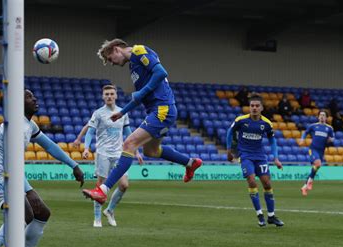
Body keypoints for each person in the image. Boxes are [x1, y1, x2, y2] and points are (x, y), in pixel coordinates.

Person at [0, 90, 84, 247]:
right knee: (24, 213)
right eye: (29, 96)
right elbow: (11, 160)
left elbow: (49, 146)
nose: (35, 98)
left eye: (34, 95)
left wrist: (73, 165)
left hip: (8, 176)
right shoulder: (12, 125)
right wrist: (28, 190)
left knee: (41, 212)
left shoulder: (28, 125)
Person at [82, 39, 202, 204]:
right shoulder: (133, 68)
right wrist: (122, 112)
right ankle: (190, 163)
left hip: (162, 109)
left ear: (116, 49)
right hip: (158, 110)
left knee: (128, 144)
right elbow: (140, 97)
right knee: (151, 151)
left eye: (110, 59)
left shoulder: (139, 51)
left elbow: (161, 73)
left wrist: (142, 91)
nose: (112, 63)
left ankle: (103, 190)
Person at [79, 84, 143, 227]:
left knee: (124, 185)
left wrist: (137, 151)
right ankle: (97, 218)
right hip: (103, 153)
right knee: (100, 185)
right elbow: (90, 132)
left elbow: (129, 133)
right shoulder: (98, 113)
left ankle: (110, 210)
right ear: (103, 96)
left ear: (116, 96)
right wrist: (86, 148)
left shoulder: (122, 113)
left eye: (111, 94)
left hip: (119, 154)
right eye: (106, 94)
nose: (109, 96)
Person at [226, 94, 284, 227]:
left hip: (260, 156)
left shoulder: (266, 123)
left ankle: (271, 216)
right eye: (252, 105)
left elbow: (272, 140)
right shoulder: (241, 120)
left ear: (262, 107)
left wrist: (276, 158)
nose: (254, 108)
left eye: (257, 106)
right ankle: (259, 214)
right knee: (251, 180)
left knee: (267, 183)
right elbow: (230, 132)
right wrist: (229, 150)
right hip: (245, 155)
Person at [299, 110, 334, 196]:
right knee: (318, 164)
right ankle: (310, 182)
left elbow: (332, 139)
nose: (322, 116)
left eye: (324, 115)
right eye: (320, 115)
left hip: (321, 151)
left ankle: (305, 186)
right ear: (318, 117)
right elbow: (306, 132)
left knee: (316, 167)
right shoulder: (313, 126)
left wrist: (330, 140)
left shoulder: (329, 128)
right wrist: (302, 139)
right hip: (313, 149)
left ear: (326, 118)